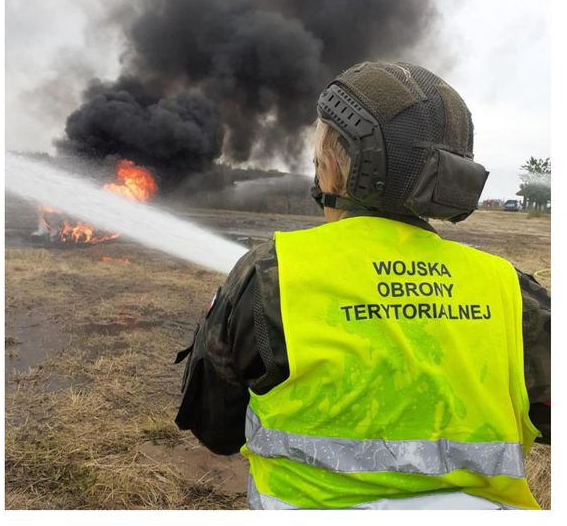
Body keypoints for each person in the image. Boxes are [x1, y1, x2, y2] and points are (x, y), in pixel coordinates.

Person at [174, 61, 551, 509]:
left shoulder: (270, 276)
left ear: (333, 167)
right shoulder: (510, 291)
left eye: (318, 159)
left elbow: (216, 429)